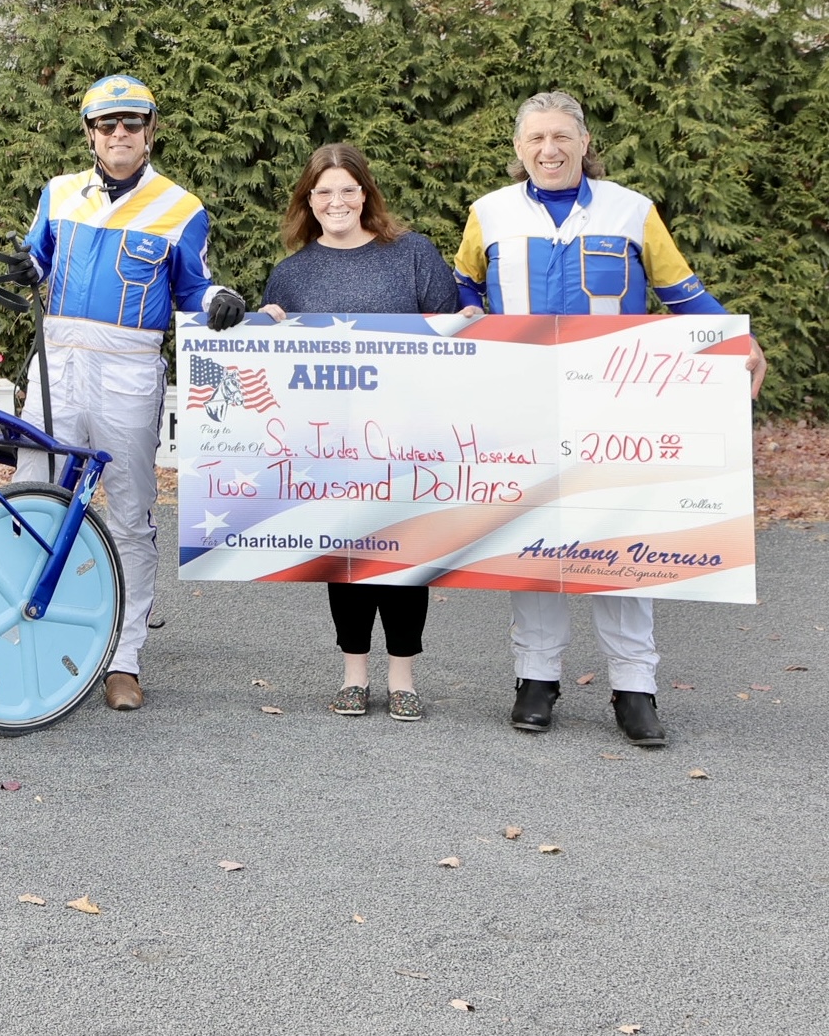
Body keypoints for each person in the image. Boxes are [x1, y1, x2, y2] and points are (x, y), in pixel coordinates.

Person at [452, 91, 767, 748]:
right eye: (535, 137)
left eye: (562, 135)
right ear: (518, 147)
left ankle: (635, 687)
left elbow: (685, 294)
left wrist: (739, 341)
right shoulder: (489, 214)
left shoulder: (632, 210)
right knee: (533, 542)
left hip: (616, 408)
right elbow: (463, 291)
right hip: (524, 403)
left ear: (584, 139)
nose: (549, 148)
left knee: (621, 542)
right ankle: (535, 677)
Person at [21, 74, 247, 712]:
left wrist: (218, 299)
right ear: (90, 133)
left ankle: (123, 658)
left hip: (129, 368)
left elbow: (193, 288)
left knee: (129, 511)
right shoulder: (59, 193)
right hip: (56, 361)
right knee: (34, 497)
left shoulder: (182, 207)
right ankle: (38, 631)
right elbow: (34, 259)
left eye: (131, 123)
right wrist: (17, 264)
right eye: (106, 124)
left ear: (150, 131)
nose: (119, 134)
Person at [257, 142, 460, 722]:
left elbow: (451, 340)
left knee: (403, 556)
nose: (337, 200)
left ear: (366, 194)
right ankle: (353, 674)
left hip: (406, 439)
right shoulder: (291, 275)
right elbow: (275, 367)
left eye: (349, 189)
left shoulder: (414, 255)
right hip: (329, 444)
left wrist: (465, 325)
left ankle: (403, 676)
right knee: (344, 559)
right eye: (324, 191)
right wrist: (262, 322)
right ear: (309, 201)